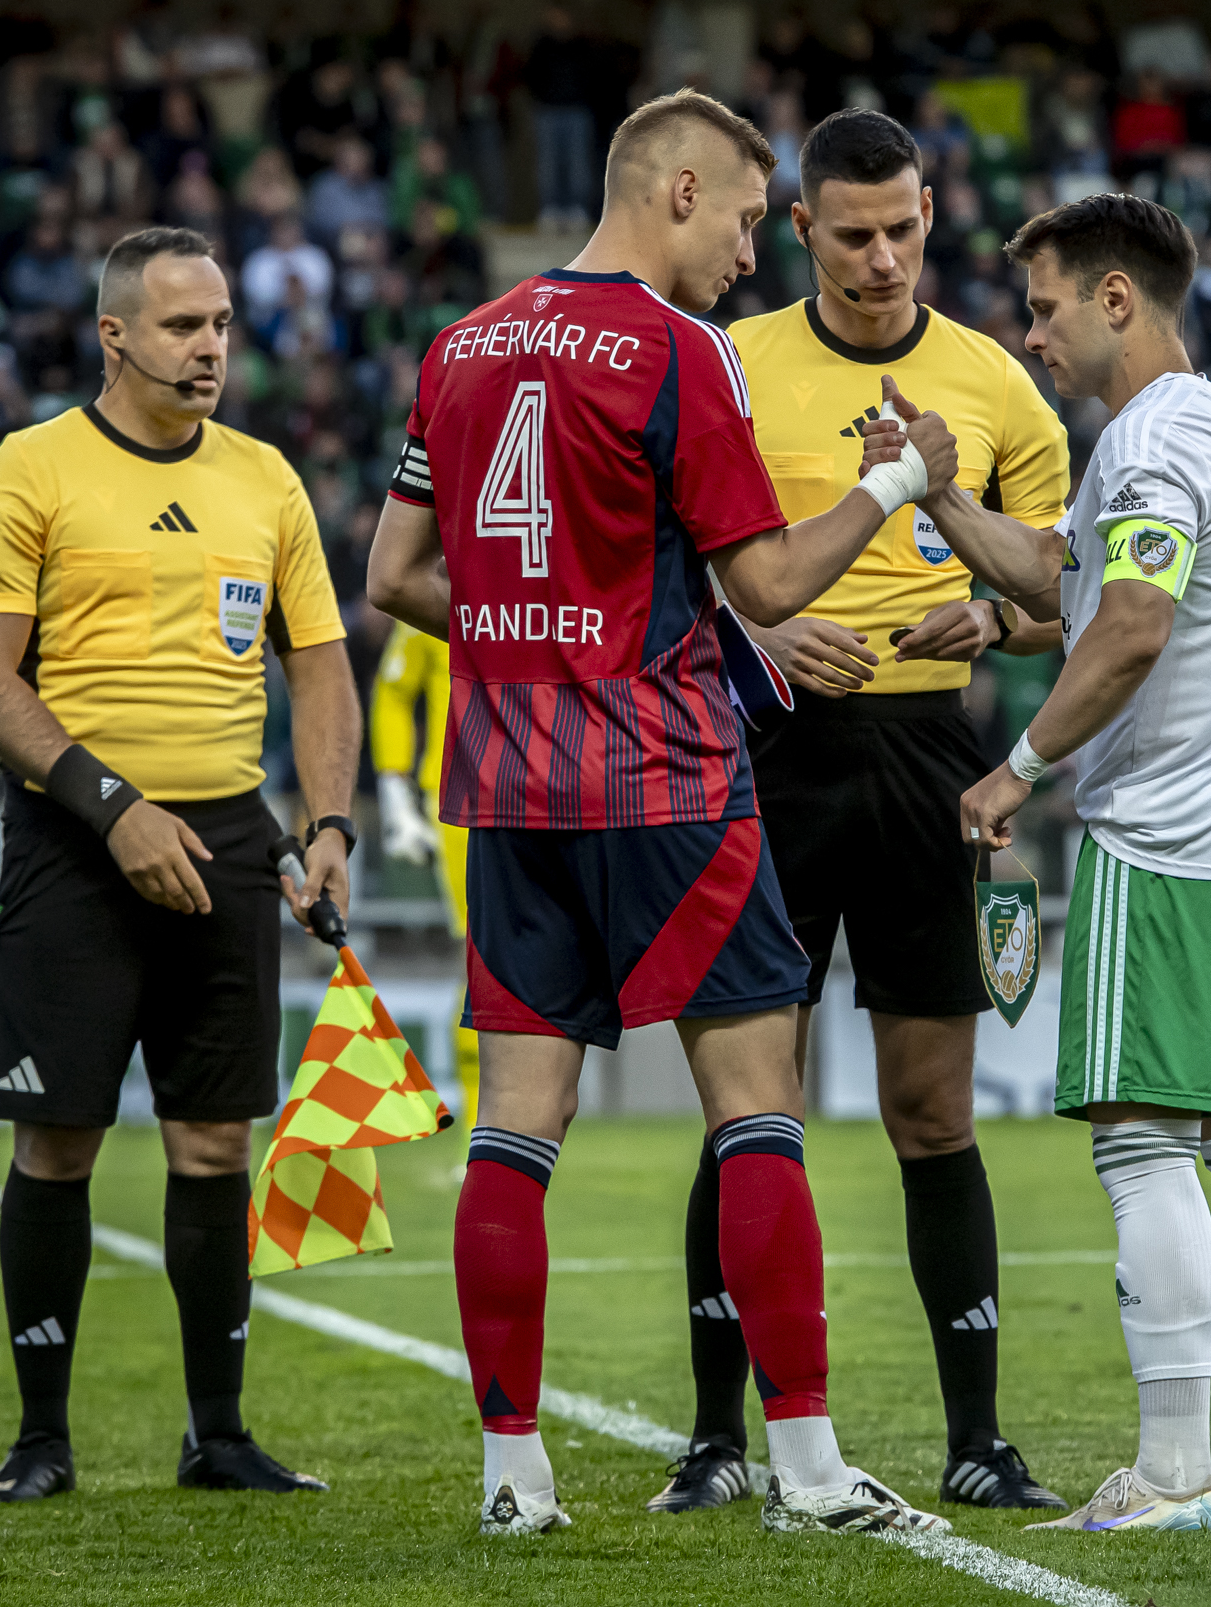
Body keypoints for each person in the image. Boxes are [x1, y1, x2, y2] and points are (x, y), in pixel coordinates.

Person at [364, 89, 959, 1538]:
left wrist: (534, 641)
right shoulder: (677, 350)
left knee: (516, 1126)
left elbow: (392, 574)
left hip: (510, 786)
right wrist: (897, 479)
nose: (752, 254)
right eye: (748, 219)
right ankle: (807, 1468)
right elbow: (768, 584)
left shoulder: (459, 345)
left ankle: (513, 1476)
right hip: (667, 778)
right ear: (679, 191)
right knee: (756, 1103)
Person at [647, 106, 1070, 1519]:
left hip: (928, 757)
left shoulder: (995, 383)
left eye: (901, 230)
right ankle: (715, 1437)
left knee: (931, 1107)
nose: (882, 258)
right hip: (762, 751)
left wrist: (993, 619)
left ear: (930, 212)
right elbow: (666, 562)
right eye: (851, 235)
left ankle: (979, 1438)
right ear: (799, 229)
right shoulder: (731, 361)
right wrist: (755, 633)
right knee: (748, 1105)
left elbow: (1065, 586)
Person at [919, 193, 1211, 1534]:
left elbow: (1133, 623)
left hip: (1163, 839)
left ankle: (1171, 1473)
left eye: (1046, 306)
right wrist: (944, 499)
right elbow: (1064, 577)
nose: (1032, 333)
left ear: (1117, 298)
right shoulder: (1206, 424)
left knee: (1140, 1148)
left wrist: (1015, 768)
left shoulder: (1150, 439)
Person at [0, 226, 362, 1503]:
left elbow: (318, 667)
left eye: (222, 323)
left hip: (229, 837)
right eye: (183, 326)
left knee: (215, 1144)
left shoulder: (266, 479)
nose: (211, 347)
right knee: (59, 1141)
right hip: (76, 836)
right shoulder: (30, 469)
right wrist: (112, 804)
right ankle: (40, 1439)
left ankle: (217, 1435)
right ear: (114, 335)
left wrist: (328, 826)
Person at [368, 621, 479, 1126]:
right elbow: (394, 689)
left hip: (552, 794)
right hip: (463, 800)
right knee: (483, 962)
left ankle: (514, 1134)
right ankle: (482, 1139)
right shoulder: (444, 589)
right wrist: (396, 795)